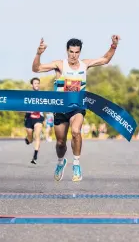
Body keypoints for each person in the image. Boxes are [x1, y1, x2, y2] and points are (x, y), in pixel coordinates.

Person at [32, 35, 120, 181]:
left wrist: (114, 45)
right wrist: (39, 53)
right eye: (71, 52)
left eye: (76, 52)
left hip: (77, 107)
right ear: (67, 51)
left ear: (80, 52)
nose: (74, 55)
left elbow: (105, 59)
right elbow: (36, 69)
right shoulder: (60, 65)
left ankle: (76, 164)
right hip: (60, 108)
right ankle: (61, 162)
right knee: (60, 143)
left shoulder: (85, 64)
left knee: (75, 131)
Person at [24, 77, 45, 164]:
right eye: (35, 83)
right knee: (30, 135)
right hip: (29, 117)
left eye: (38, 83)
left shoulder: (42, 94)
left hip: (39, 117)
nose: (37, 85)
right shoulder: (28, 94)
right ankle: (29, 139)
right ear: (32, 85)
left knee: (37, 135)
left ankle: (35, 155)